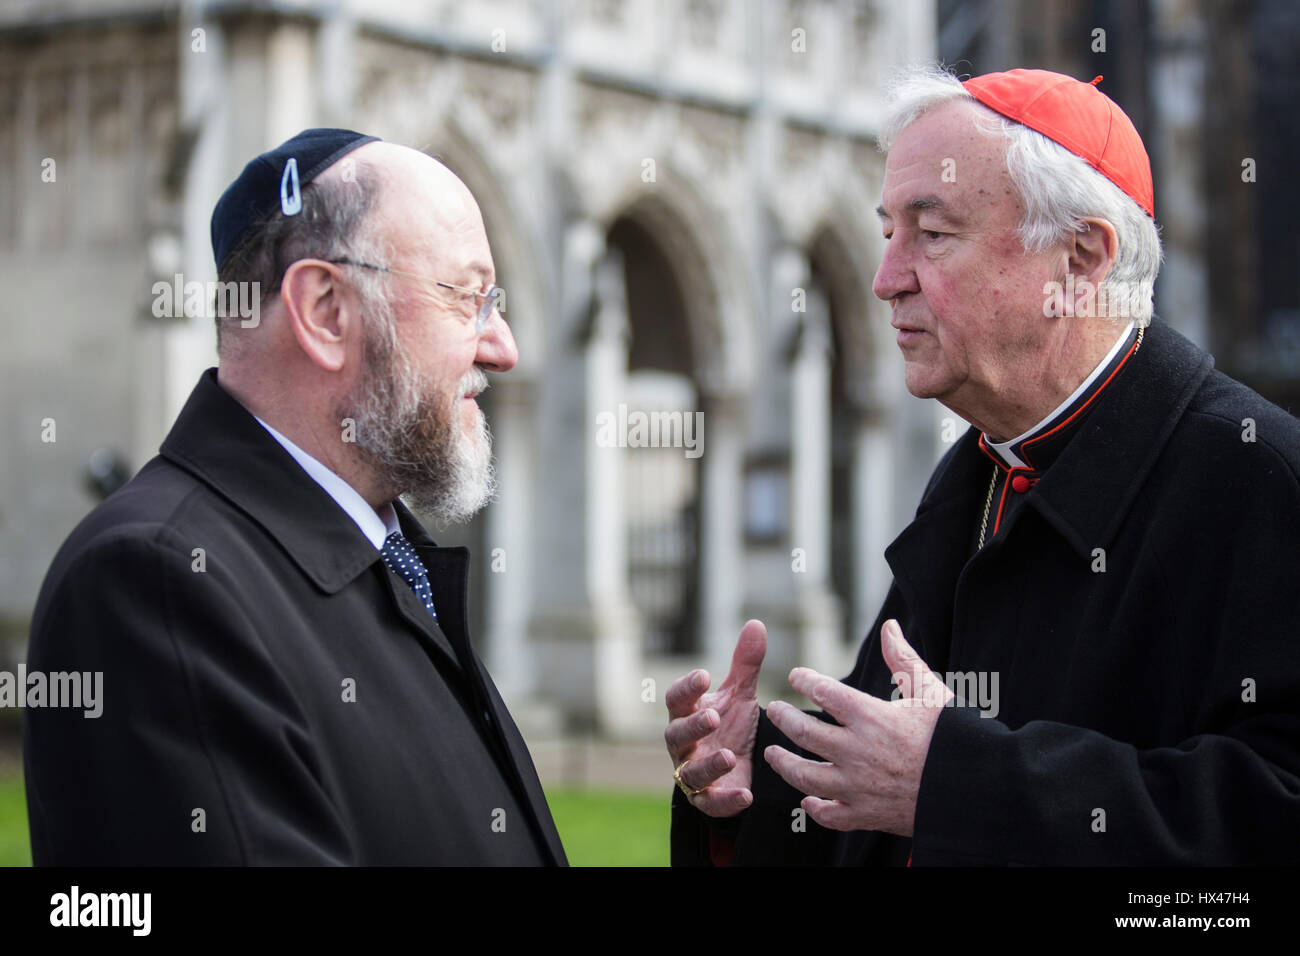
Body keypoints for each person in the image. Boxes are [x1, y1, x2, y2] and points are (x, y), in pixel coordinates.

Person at [665, 67, 1300, 865]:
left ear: (1081, 256)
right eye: (887, 231)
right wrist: (756, 780)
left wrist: (962, 785)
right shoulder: (979, 475)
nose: (885, 280)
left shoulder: (1262, 478)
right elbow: (882, 803)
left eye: (931, 235)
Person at [24, 129, 567, 865]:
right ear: (324, 310)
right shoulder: (157, 583)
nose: (503, 346)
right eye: (468, 298)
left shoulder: (387, 555)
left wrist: (719, 835)